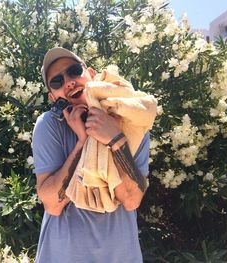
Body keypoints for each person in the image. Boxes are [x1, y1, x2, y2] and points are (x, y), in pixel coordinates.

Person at [31, 47, 150, 263]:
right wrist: (83, 141)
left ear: (92, 74)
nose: (68, 82)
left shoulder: (131, 120)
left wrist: (115, 140)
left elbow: (132, 199)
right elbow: (52, 204)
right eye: (56, 82)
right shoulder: (49, 125)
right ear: (52, 96)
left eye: (74, 71)